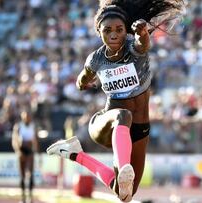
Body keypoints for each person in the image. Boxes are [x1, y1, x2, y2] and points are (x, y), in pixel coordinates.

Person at [46, 0, 185, 202]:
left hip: (139, 129)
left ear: (125, 31)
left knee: (125, 194)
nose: (113, 34)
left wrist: (142, 33)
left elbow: (142, 44)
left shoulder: (134, 48)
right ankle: (124, 166)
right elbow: (82, 78)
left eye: (119, 30)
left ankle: (75, 154)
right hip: (107, 125)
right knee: (123, 114)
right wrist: (83, 82)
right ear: (99, 32)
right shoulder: (96, 59)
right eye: (107, 30)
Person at [12, 110, 39, 203]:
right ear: (22, 117)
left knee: (31, 175)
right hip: (21, 151)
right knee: (22, 175)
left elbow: (36, 140)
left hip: (30, 151)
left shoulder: (33, 126)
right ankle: (23, 197)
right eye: (25, 116)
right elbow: (15, 140)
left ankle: (30, 197)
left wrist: (36, 152)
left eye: (29, 116)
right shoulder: (18, 126)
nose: (27, 118)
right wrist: (18, 151)